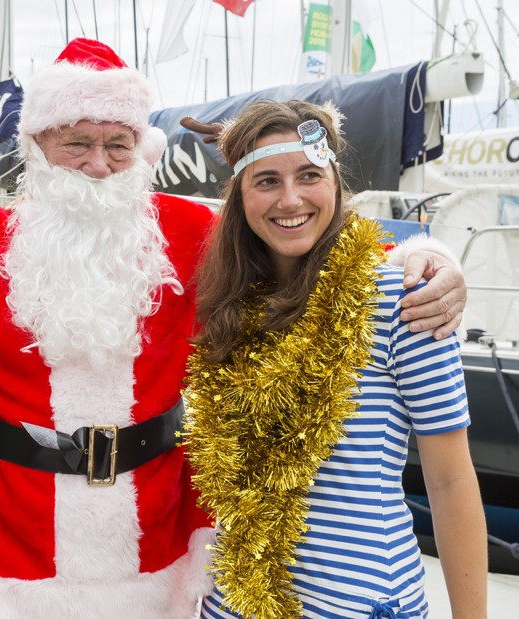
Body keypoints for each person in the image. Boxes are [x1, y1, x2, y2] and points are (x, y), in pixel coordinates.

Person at [0, 39, 468, 619]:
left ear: (141, 149)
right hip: (14, 546)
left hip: (160, 537)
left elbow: (310, 245)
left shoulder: (190, 233)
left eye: (117, 144)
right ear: (37, 146)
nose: (97, 163)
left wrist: (423, 256)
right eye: (77, 142)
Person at [183, 99, 486, 619]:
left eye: (308, 175)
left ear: (336, 182)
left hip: (356, 603)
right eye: (267, 181)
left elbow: (450, 482)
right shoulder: (229, 310)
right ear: (239, 197)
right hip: (233, 602)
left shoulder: (402, 298)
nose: (291, 198)